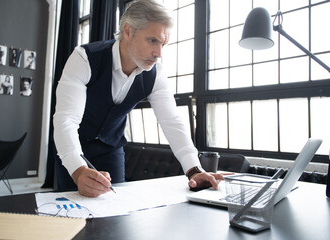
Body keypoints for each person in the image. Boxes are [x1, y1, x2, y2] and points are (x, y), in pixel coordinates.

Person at [53, 0, 227, 198]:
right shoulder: (84, 58)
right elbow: (66, 120)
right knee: (69, 211)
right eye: (152, 40)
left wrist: (194, 170)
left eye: (163, 44)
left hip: (111, 150)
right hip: (72, 147)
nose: (159, 53)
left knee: (114, 211)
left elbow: (172, 123)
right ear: (128, 31)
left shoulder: (155, 74)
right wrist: (78, 170)